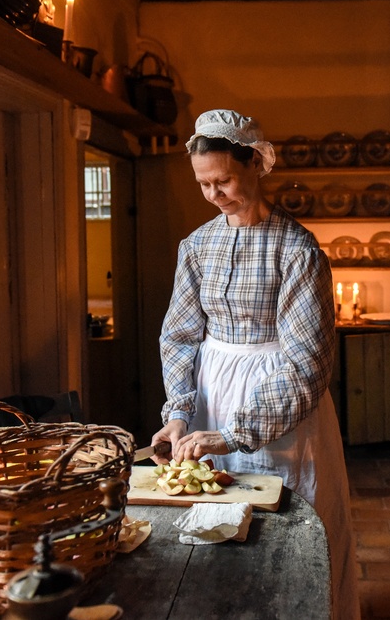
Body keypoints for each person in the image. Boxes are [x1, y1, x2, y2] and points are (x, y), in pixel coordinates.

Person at [151, 109, 360, 620]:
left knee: (284, 523)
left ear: (257, 166)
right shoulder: (195, 247)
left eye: (223, 180)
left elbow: (307, 364)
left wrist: (233, 434)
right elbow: (179, 337)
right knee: (211, 524)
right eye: (204, 184)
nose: (214, 194)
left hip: (280, 403)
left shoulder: (298, 249)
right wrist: (179, 414)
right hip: (209, 395)